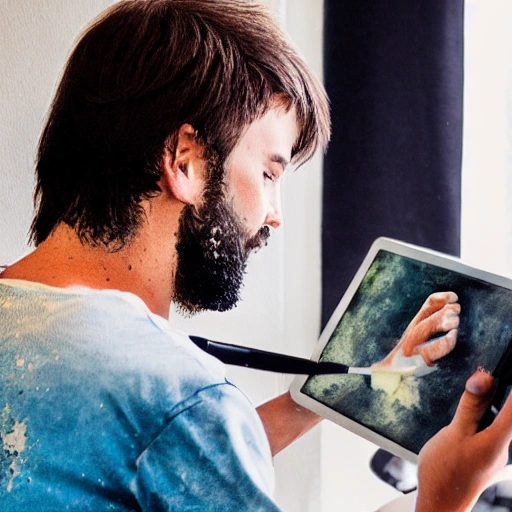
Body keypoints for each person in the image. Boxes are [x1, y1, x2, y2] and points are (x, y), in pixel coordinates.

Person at [0, 1, 511, 510]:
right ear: (186, 161)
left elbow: (163, 459)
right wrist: (445, 496)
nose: (274, 214)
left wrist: (325, 395)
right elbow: (180, 430)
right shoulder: (179, 397)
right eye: (269, 173)